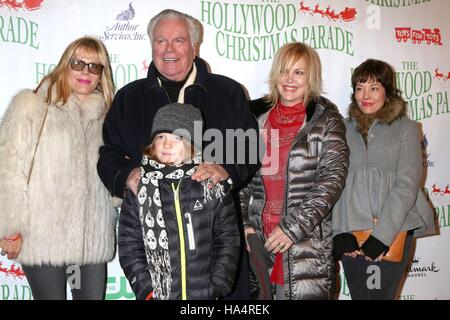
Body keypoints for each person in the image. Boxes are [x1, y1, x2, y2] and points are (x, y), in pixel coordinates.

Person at [97, 9, 259, 299]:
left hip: (215, 250)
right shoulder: (128, 98)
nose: (169, 49)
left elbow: (250, 149)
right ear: (151, 47)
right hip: (156, 260)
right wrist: (126, 175)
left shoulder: (228, 92)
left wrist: (228, 170)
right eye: (161, 41)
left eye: (178, 40)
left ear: (194, 46)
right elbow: (108, 154)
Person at [0, 36, 116, 300]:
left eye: (94, 66)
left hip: (91, 240)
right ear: (65, 65)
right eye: (78, 63)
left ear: (102, 74)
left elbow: (112, 173)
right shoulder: (32, 106)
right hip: (43, 237)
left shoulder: (107, 118)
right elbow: (8, 169)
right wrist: (9, 229)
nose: (86, 71)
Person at [240, 42, 349, 300]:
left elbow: (332, 180)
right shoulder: (255, 120)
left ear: (309, 78)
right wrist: (243, 223)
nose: (289, 79)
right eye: (284, 71)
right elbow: (241, 179)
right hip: (260, 243)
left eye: (298, 72)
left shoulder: (326, 121)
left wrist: (291, 229)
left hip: (305, 245)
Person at [332, 59, 436, 300]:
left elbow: (406, 185)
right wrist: (338, 230)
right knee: (362, 296)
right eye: (360, 87)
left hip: (393, 231)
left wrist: (382, 236)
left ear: (388, 92)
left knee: (379, 297)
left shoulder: (407, 128)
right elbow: (333, 182)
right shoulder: (341, 129)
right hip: (352, 235)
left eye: (374, 87)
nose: (365, 95)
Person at [118, 103, 240, 300]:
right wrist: (147, 289)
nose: (167, 144)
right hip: (159, 296)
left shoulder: (211, 186)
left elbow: (228, 238)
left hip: (204, 295)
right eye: (160, 137)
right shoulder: (139, 187)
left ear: (193, 145)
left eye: (177, 137)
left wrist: (218, 284)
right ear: (152, 144)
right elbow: (129, 244)